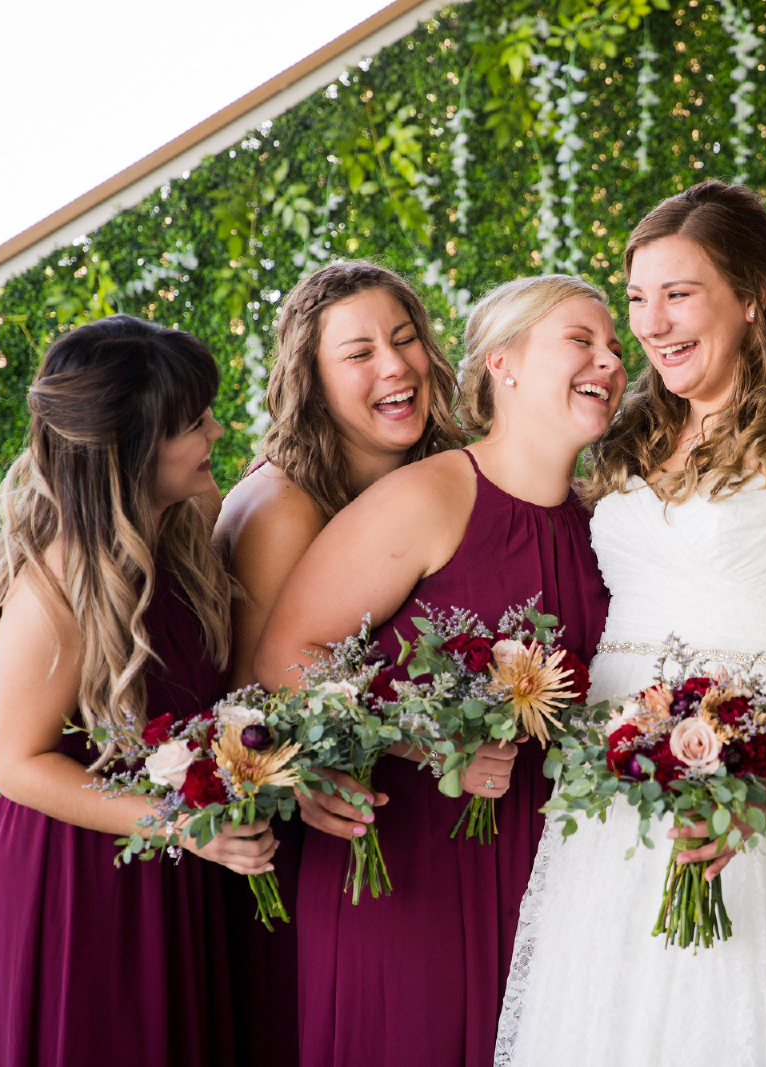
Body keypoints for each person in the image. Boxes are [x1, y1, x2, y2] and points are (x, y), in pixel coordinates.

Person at [495, 180, 766, 1066]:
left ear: (752, 297)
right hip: (620, 811)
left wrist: (762, 785)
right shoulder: (624, 438)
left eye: (679, 294)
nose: (652, 324)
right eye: (637, 300)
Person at [254, 274, 621, 1067]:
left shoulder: (604, 523)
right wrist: (430, 739)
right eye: (581, 341)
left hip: (554, 877)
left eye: (615, 347)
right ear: (503, 363)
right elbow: (287, 655)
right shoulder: (431, 495)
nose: (610, 360)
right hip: (412, 866)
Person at [0, 315, 272, 1067]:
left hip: (176, 863)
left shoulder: (188, 516)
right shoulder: (56, 586)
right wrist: (179, 824)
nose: (216, 430)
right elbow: (17, 763)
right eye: (194, 422)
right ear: (133, 450)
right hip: (79, 879)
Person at [212, 261, 464, 1065]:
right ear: (313, 382)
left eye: (406, 338)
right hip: (300, 855)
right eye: (360, 353)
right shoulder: (283, 506)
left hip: (417, 843)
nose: (396, 365)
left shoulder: (442, 476)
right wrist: (311, 776)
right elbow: (244, 703)